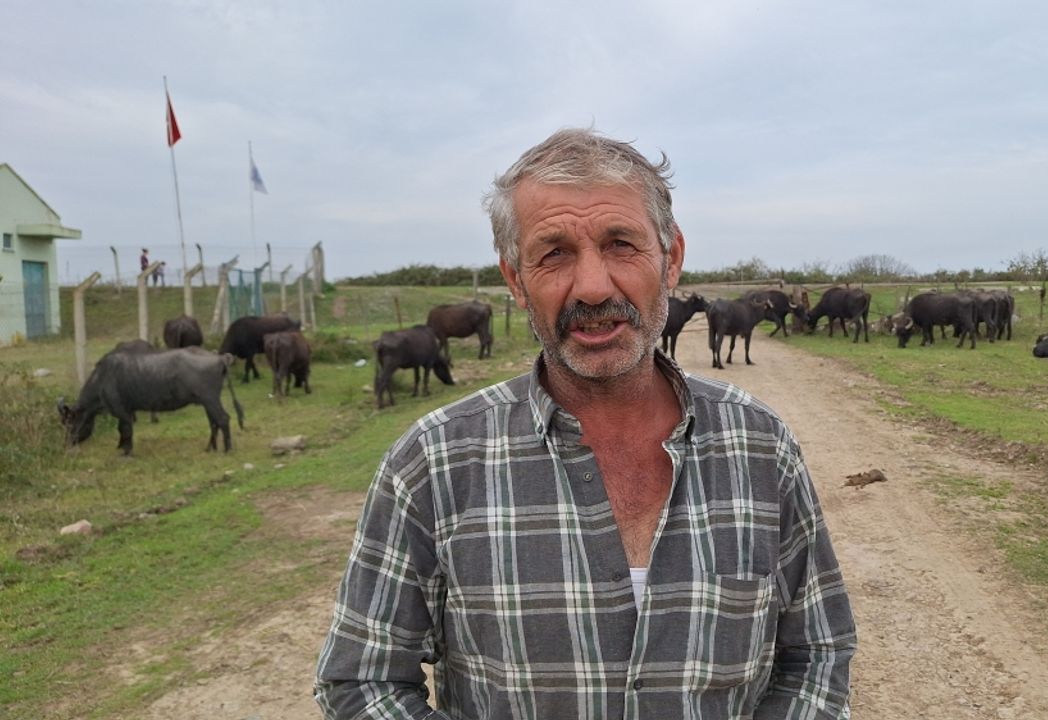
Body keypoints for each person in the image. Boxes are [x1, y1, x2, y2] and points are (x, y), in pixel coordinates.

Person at [315, 128, 856, 719]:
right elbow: (361, 682)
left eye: (621, 244)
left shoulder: (761, 447)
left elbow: (817, 655)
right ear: (516, 280)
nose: (594, 287)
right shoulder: (432, 463)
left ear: (671, 258)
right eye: (554, 254)